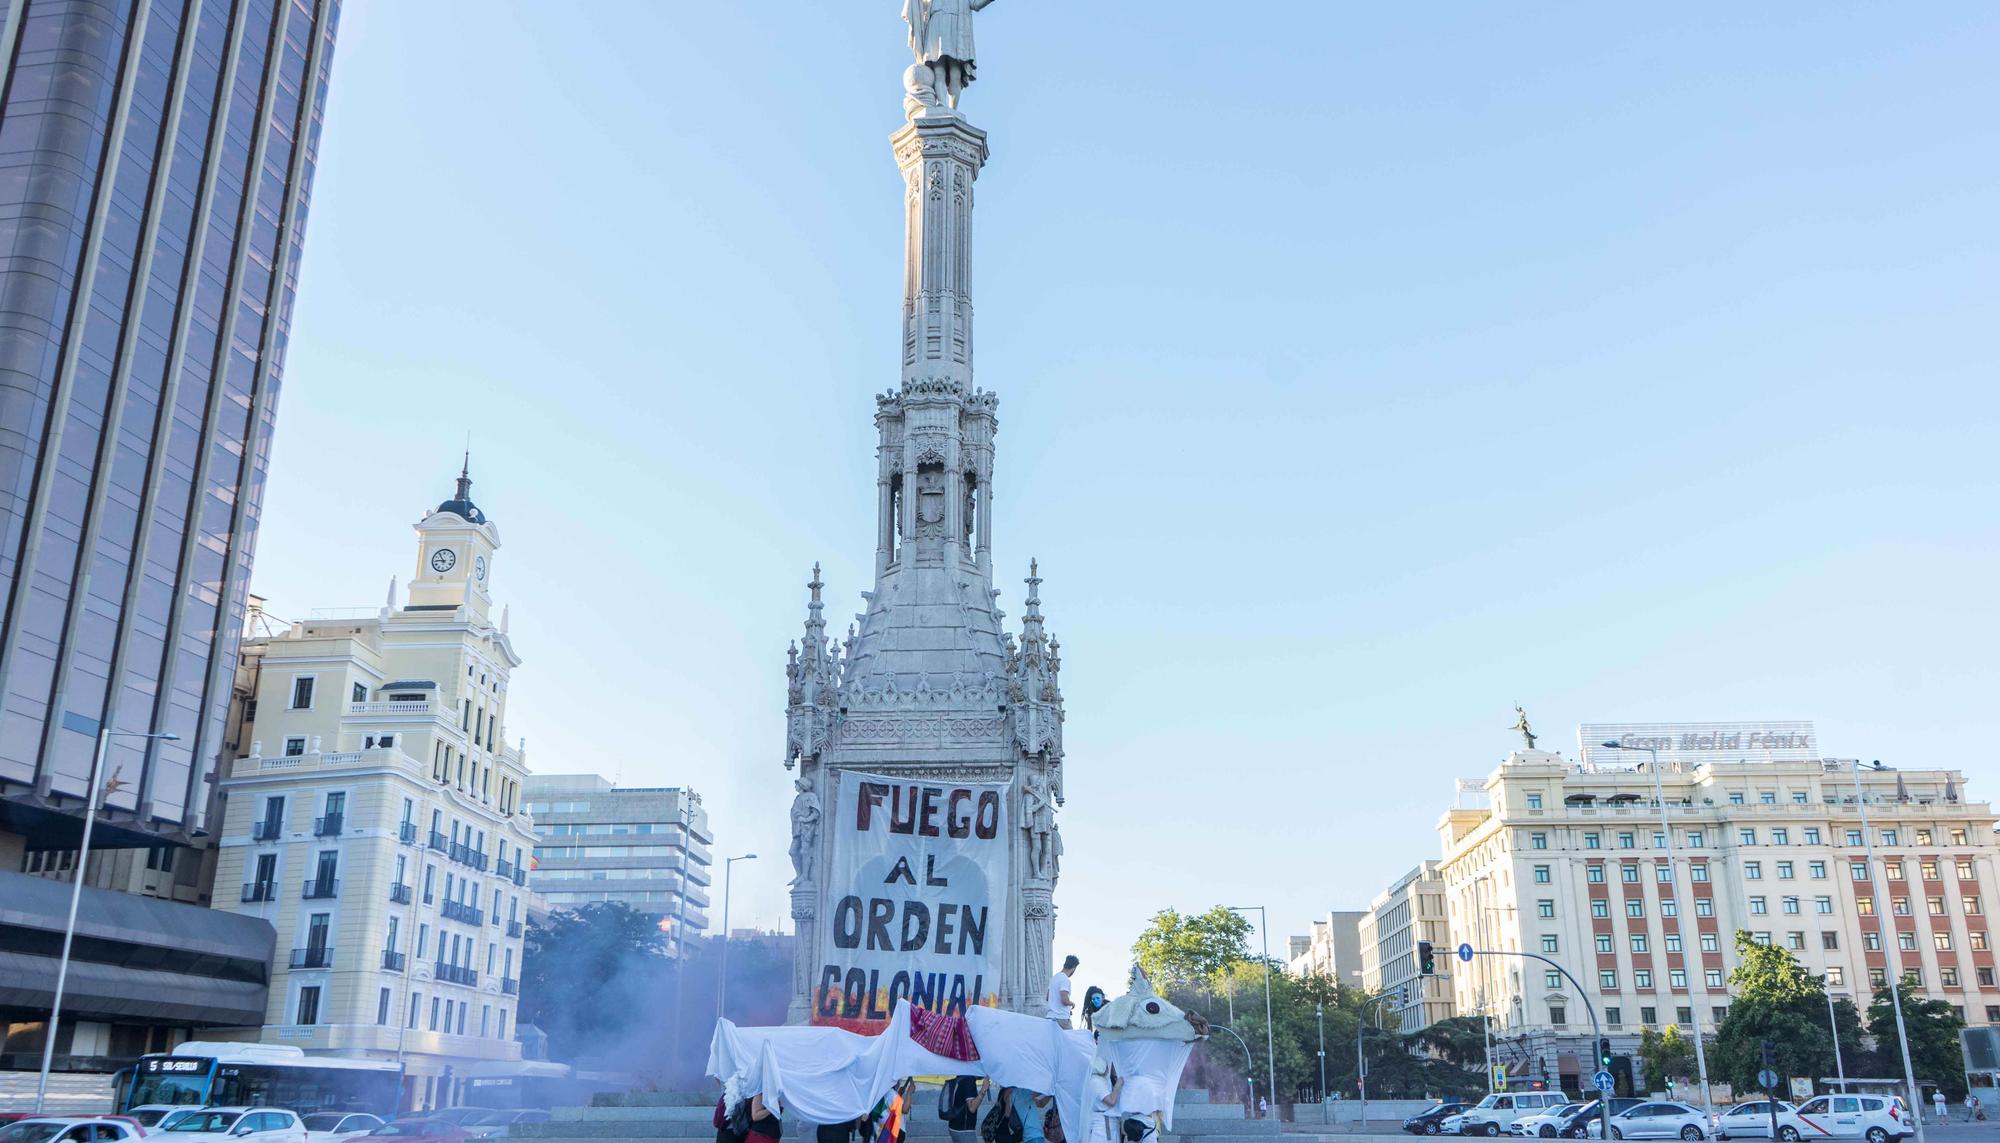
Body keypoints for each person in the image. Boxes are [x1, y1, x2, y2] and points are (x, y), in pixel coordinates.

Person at [1085, 1057, 1123, 1143]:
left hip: (1104, 1125)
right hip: (1102, 1127)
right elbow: (1111, 1101)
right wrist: (1117, 1086)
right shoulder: (1096, 1082)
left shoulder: (1093, 1081)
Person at [943, 1075, 984, 1143]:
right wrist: (983, 1089)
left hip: (955, 1126)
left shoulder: (960, 1077)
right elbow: (972, 1108)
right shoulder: (969, 1080)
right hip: (964, 1130)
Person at [1047, 955, 1079, 1026]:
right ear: (1073, 968)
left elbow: (1047, 997)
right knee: (1070, 1037)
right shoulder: (1065, 979)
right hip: (1062, 1019)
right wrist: (1072, 1004)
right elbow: (1064, 1000)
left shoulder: (1054, 978)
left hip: (1050, 1017)